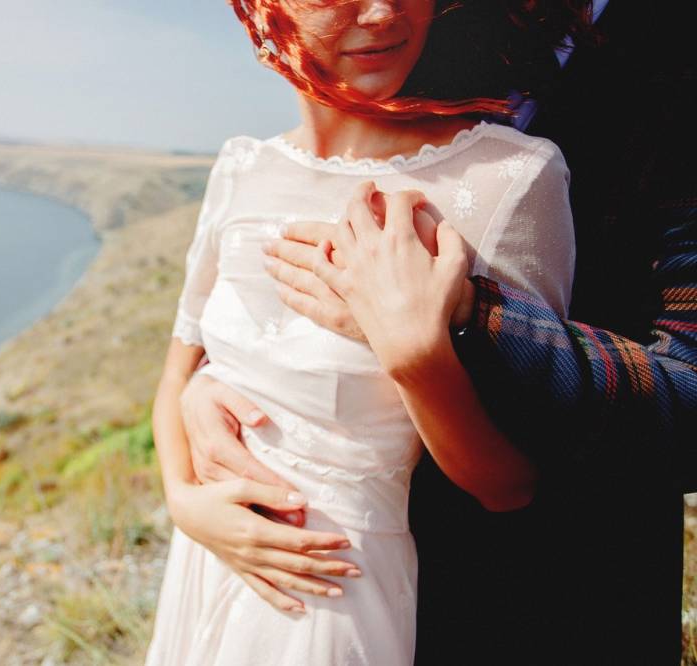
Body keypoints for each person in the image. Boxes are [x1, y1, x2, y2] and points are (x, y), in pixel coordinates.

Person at [177, 1, 697, 664]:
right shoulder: (403, 42)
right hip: (258, 569)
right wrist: (198, 443)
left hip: (559, 594)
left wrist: (457, 317)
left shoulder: (661, 61)